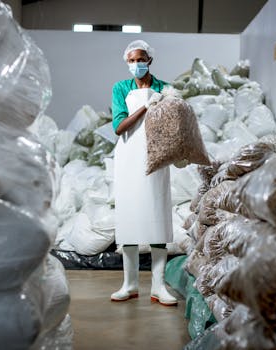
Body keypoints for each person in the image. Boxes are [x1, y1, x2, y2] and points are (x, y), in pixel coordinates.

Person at [110, 40, 177, 306]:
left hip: (156, 157)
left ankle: (158, 286)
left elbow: (174, 125)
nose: (135, 65)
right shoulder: (120, 88)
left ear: (150, 60)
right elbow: (119, 127)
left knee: (157, 215)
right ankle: (130, 284)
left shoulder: (164, 88)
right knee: (129, 217)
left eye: (140, 59)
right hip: (128, 157)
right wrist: (146, 107)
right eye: (130, 61)